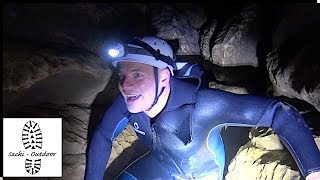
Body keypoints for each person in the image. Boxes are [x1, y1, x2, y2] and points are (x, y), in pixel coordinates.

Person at [85, 36, 320, 180]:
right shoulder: (127, 102)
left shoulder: (205, 106)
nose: (125, 85)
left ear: (165, 77)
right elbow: (105, 133)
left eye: (138, 75)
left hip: (201, 174)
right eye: (123, 75)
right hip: (159, 164)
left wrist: (314, 172)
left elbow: (279, 113)